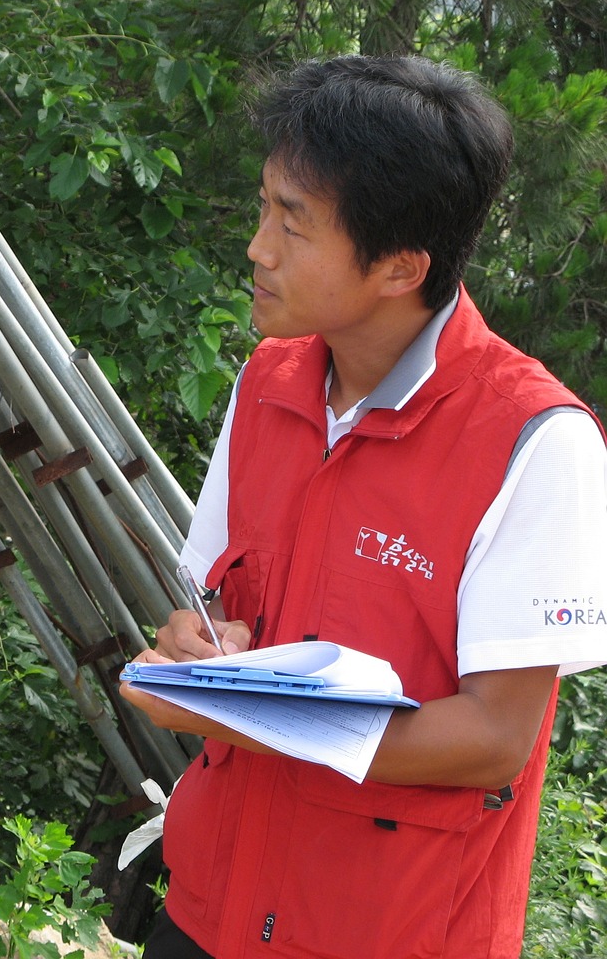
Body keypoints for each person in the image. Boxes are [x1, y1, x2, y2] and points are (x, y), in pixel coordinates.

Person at [121, 55, 607, 959]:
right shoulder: (269, 383)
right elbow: (225, 610)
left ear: (399, 266)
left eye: (292, 224)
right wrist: (202, 649)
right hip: (209, 910)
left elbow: (496, 737)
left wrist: (246, 715)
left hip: (388, 931)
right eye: (264, 205)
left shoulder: (535, 442)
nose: (258, 246)